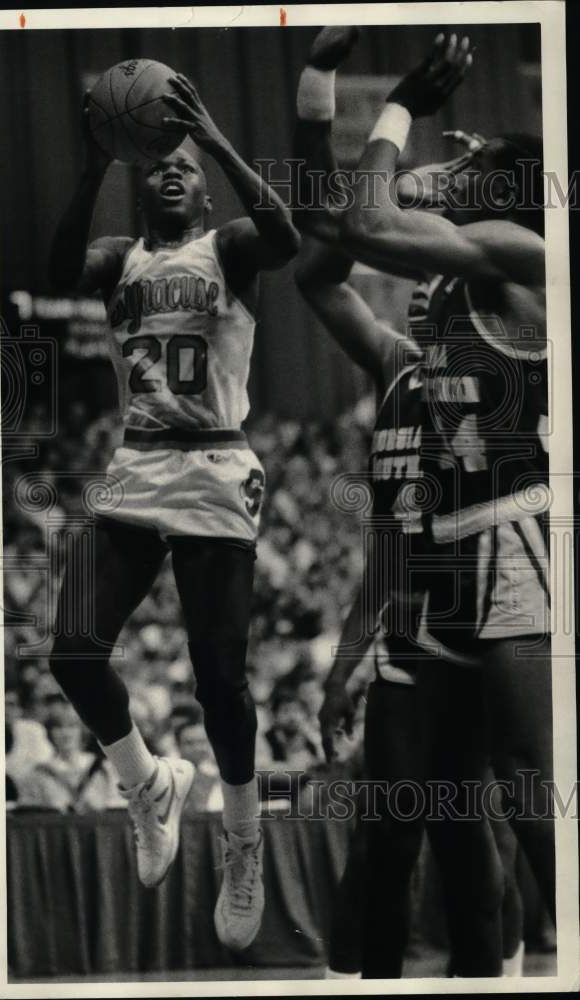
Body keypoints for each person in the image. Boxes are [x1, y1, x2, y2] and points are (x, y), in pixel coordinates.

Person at [293, 27, 528, 977]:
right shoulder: (397, 366)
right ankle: (366, 977)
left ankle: (503, 969)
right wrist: (347, 657)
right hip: (412, 615)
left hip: (501, 597)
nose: (420, 293)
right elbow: (322, 259)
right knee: (393, 825)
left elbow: (358, 229)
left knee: (478, 824)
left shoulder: (514, 306)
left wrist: (383, 124)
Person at [48, 71, 299, 950]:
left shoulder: (228, 246)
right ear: (137, 171)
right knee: (72, 650)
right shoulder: (121, 257)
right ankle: (149, 784)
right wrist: (91, 166)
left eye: (186, 167)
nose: (173, 174)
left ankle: (242, 838)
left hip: (216, 463)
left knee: (220, 682)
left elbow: (286, 235)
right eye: (160, 163)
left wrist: (218, 138)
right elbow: (47, 282)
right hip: (137, 462)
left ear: (202, 184)